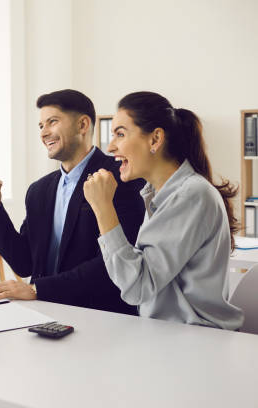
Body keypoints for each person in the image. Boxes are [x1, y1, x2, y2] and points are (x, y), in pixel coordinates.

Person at [83, 91, 243, 329]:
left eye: (120, 134)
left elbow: (138, 287)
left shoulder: (191, 194)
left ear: (155, 139)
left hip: (197, 341)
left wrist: (104, 208)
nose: (111, 147)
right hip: (164, 334)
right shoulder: (158, 194)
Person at [0, 89, 145, 315]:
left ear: (83, 125)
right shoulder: (38, 190)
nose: (44, 132)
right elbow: (25, 263)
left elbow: (114, 264)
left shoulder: (120, 178)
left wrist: (38, 289)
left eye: (52, 122)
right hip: (44, 311)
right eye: (40, 126)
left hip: (101, 315)